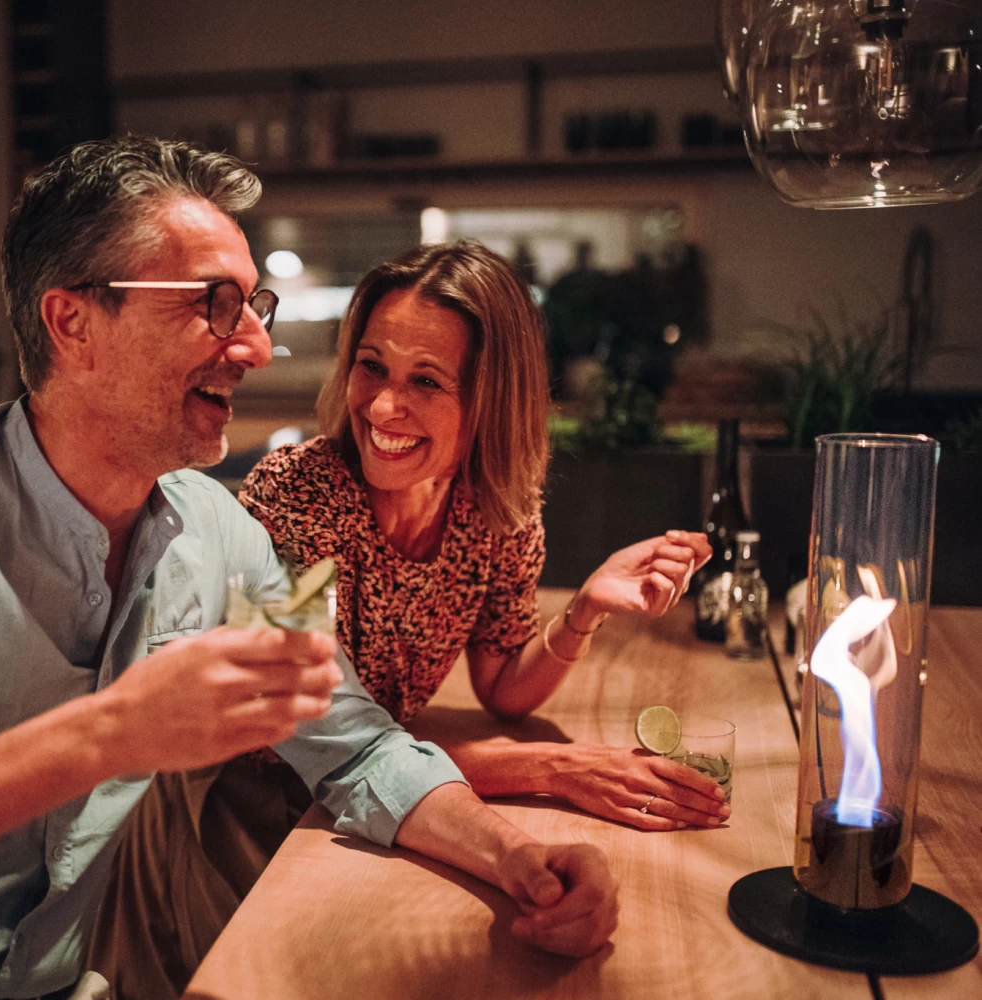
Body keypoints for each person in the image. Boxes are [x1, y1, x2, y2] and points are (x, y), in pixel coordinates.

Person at [0, 139, 617, 1000]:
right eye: (214, 304)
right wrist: (110, 734)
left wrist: (517, 860)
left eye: (255, 307)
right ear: (74, 322)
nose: (256, 347)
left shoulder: (226, 532)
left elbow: (357, 744)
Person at [91, 240, 722, 1000]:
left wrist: (584, 610)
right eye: (372, 367)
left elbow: (503, 688)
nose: (383, 407)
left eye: (425, 380)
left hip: (395, 803)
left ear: (491, 399)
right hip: (263, 823)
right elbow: (301, 732)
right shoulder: (297, 496)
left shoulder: (499, 510)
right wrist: (555, 768)